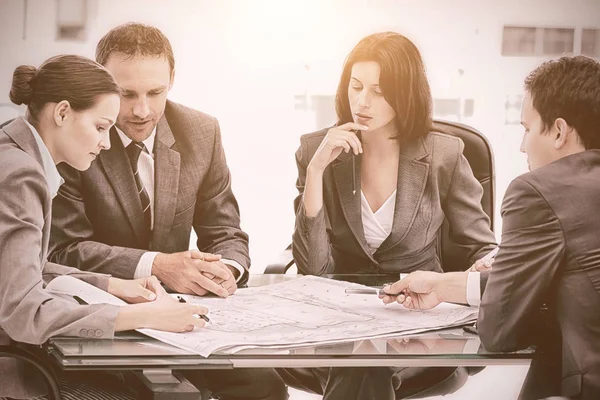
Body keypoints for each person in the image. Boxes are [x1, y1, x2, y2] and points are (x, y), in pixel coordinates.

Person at [47, 23, 287, 400]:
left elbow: (225, 229)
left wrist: (224, 268)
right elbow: (62, 250)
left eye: (155, 92)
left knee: (265, 386)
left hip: (181, 321)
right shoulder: (78, 135)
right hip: (101, 320)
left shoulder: (202, 131)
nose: (142, 110)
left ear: (172, 79)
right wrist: (156, 264)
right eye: (126, 94)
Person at [283, 31, 497, 399]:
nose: (362, 101)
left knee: (362, 367)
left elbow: (481, 246)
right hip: (339, 316)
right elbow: (313, 267)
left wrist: (486, 266)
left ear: (406, 94)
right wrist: (317, 171)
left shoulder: (443, 155)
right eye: (356, 86)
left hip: (416, 316)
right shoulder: (317, 150)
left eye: (379, 91)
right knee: (360, 362)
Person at [381, 55, 600, 400]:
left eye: (527, 129)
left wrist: (512, 288)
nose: (522, 145)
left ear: (559, 131)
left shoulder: (538, 192)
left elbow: (499, 331)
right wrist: (443, 285)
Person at [0, 55, 209, 400]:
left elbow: (20, 268)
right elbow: (26, 310)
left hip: (17, 355)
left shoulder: (11, 150)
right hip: (14, 372)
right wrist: (142, 315)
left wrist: (112, 284)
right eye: (100, 127)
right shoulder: (21, 174)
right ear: (62, 113)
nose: (107, 143)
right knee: (150, 392)